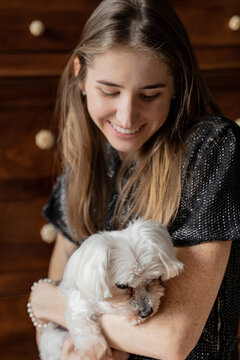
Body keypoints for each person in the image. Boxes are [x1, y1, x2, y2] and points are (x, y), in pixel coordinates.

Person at [29, 0, 240, 358]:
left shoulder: (211, 149)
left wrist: (52, 304)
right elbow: (49, 327)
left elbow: (171, 341)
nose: (127, 116)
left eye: (149, 94)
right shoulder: (85, 167)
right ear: (80, 76)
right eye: (109, 91)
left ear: (177, 84)